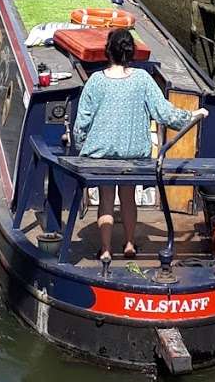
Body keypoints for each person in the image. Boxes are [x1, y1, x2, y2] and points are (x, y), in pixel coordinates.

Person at [73, 28, 207, 267]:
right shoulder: (143, 79)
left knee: (106, 200)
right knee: (128, 198)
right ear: (130, 53)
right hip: (134, 156)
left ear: (108, 51)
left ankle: (105, 250)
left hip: (102, 157)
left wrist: (80, 147)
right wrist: (193, 115)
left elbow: (82, 122)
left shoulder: (95, 81)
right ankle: (129, 244)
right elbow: (164, 113)